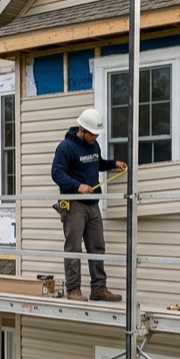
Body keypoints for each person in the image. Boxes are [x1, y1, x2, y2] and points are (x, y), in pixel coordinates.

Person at [51, 107, 127, 302]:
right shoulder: (65, 147)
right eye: (92, 134)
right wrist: (78, 186)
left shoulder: (93, 146)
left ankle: (99, 288)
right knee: (73, 247)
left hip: (93, 204)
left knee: (97, 246)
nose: (94, 138)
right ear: (81, 129)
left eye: (96, 135)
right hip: (74, 204)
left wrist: (113, 164)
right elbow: (57, 173)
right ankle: (73, 290)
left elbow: (96, 163)